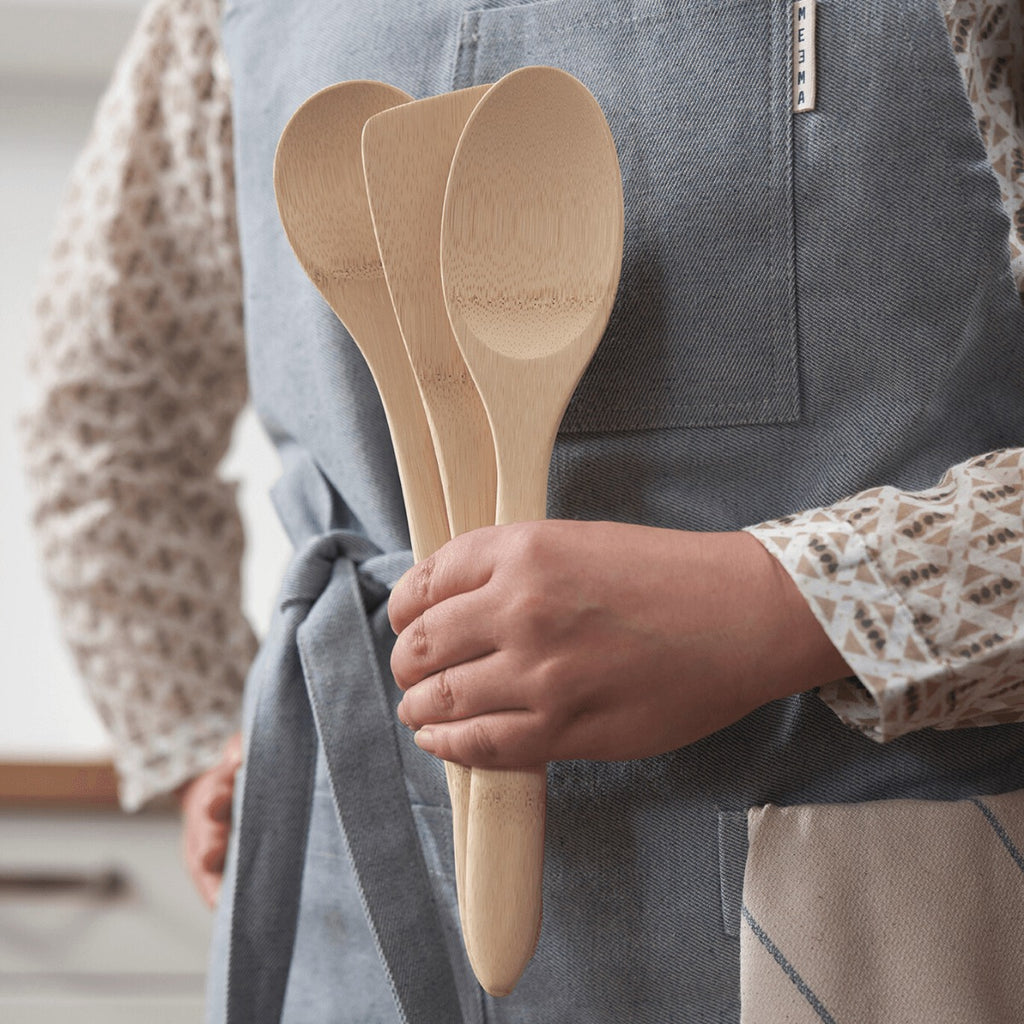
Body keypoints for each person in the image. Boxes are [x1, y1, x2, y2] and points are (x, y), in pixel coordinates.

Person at [20, 0, 1024, 1020]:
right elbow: (101, 405)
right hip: (359, 876)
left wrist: (786, 602)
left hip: (874, 903)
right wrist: (199, 729)